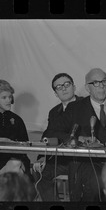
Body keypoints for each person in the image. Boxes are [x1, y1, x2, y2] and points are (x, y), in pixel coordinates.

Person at [46, 68, 106, 201]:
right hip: (87, 163)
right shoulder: (75, 108)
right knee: (97, 185)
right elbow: (50, 132)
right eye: (96, 83)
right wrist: (76, 138)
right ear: (87, 88)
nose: (101, 86)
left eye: (104, 82)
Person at [33, 73, 83, 201]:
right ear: (56, 93)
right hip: (59, 159)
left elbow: (77, 136)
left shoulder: (85, 105)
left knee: (76, 171)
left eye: (67, 84)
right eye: (59, 87)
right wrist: (41, 157)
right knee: (38, 170)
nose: (64, 89)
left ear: (74, 87)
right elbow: (48, 134)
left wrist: (57, 135)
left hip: (80, 159)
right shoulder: (54, 111)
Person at [0, 80, 31, 179]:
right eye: (4, 98)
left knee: (16, 165)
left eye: (10, 97)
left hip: (16, 156)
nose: (8, 100)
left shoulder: (17, 119)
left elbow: (25, 144)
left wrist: (11, 142)